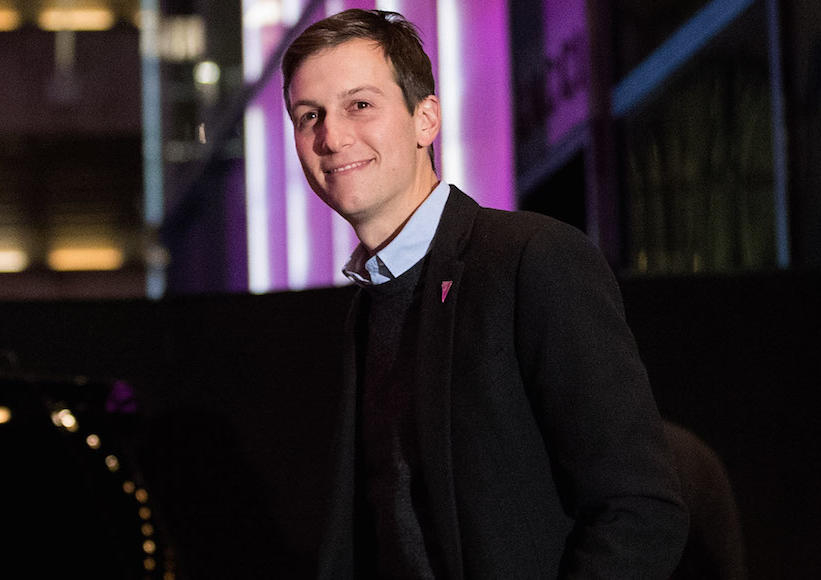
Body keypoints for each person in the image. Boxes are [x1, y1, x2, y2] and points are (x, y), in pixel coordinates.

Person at [282, 9, 689, 579]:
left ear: (426, 119)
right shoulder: (366, 307)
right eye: (309, 116)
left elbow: (639, 510)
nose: (332, 136)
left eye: (360, 105)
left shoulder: (531, 260)